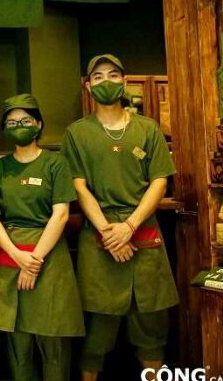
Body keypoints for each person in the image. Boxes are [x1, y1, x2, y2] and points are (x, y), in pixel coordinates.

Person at [60, 55, 178, 381]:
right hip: (99, 236)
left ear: (125, 82)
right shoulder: (77, 133)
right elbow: (78, 186)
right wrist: (108, 232)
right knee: (96, 331)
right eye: (98, 77)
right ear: (88, 87)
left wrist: (129, 226)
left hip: (143, 233)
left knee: (152, 326)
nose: (106, 81)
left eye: (113, 75)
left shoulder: (147, 128)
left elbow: (159, 182)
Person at [0, 93, 84, 381]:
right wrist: (17, 256)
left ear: (39, 124)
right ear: (4, 129)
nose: (19, 126)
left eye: (26, 120)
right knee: (18, 345)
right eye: (12, 122)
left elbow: (61, 215)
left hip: (49, 257)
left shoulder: (56, 164)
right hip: (10, 256)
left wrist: (33, 262)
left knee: (54, 343)